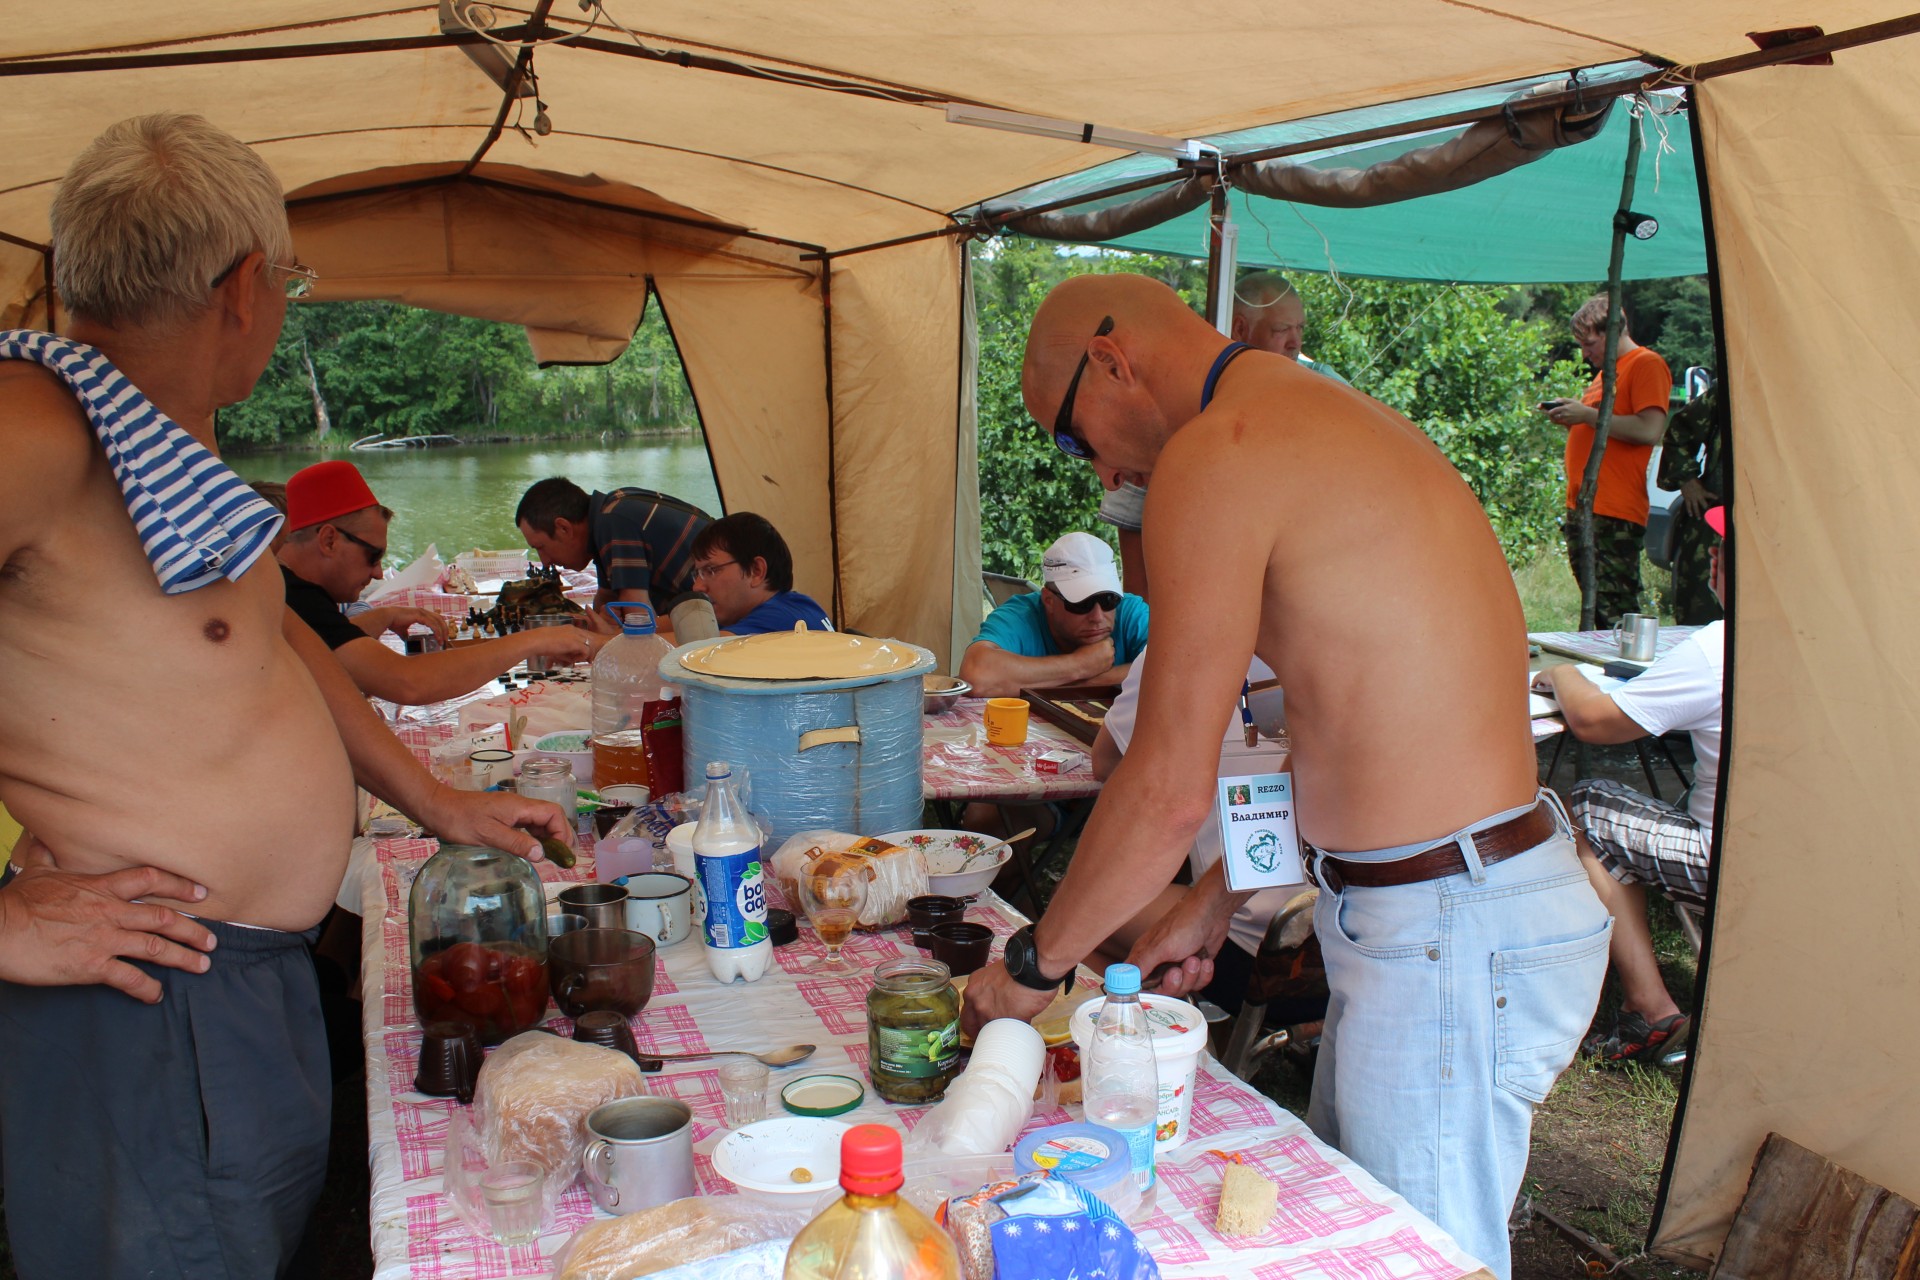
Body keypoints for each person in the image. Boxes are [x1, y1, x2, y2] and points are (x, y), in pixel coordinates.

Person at [0, 113, 567, 1280]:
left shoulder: (154, 444)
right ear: (246, 285)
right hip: (150, 999)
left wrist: (434, 799)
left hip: (232, 989)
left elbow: (275, 644)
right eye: (291, 285)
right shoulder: (33, 427)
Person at [959, 272, 1609, 1279]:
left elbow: (1166, 785)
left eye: (1074, 440)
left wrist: (1034, 967)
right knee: (1368, 1246)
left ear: (1111, 361)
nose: (1100, 474)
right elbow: (1340, 733)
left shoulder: (1219, 452)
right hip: (1444, 907)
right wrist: (1219, 895)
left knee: (1421, 1264)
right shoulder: (1316, 419)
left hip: (1449, 919)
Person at [1533, 506, 1727, 1065]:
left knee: (1588, 806)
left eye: (1721, 545)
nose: (1712, 554)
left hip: (1729, 864)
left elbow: (1596, 722)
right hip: (1835, 859)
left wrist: (1561, 672)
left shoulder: (1719, 648)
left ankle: (1649, 1007)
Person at [1091, 646, 1311, 1017]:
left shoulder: (1177, 650)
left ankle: (1134, 1032)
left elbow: (1105, 763)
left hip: (1253, 952)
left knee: (1085, 917)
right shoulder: (1338, 656)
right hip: (1351, 957)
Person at [1100, 271, 1346, 600]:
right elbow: (1134, 530)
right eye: (1281, 330)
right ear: (1239, 328)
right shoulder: (1174, 400)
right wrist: (1144, 619)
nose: (1295, 343)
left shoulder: (1324, 392)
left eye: (1300, 329)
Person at [278, 460, 595, 703]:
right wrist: (536, 640)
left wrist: (386, 615)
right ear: (329, 541)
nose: (378, 573)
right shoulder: (293, 599)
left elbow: (332, 642)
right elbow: (409, 682)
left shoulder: (292, 590)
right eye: (373, 557)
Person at [1541, 294, 1673, 628]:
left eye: (1589, 344)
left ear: (1614, 331)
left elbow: (1649, 430)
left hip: (1614, 510)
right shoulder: (1606, 374)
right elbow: (1604, 428)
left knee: (1615, 609)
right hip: (1585, 506)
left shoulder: (1646, 364)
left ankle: (1627, 660)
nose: (1585, 354)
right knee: (1596, 605)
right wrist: (1574, 418)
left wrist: (1587, 415)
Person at [515, 477, 717, 640]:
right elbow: (606, 598)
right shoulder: (607, 514)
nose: (545, 561)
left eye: (541, 547)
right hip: (701, 613)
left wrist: (598, 638)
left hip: (718, 619)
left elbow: (639, 622)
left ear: (564, 528)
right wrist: (589, 624)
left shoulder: (614, 521)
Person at [957, 531, 1148, 698]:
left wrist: (1076, 681)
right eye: (1082, 604)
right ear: (1048, 600)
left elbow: (1164, 670)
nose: (1098, 617)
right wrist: (1080, 665)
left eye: (1109, 599)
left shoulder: (1130, 611)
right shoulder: (1021, 615)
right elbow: (976, 675)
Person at [687, 512, 833, 636]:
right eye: (698, 574)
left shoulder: (780, 621)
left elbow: (692, 652)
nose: (697, 586)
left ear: (756, 571)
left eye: (711, 570)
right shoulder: (800, 605)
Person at [1655, 382, 1725, 625]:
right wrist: (1687, 479)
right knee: (1701, 619)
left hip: (1783, 528)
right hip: (1717, 522)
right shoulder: (1735, 388)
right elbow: (1678, 433)